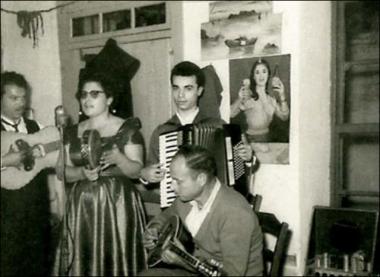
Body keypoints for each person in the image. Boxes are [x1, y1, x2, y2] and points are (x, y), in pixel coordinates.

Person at [53, 72, 147, 276]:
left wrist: (119, 159)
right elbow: (62, 172)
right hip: (82, 209)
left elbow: (138, 171)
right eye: (83, 94)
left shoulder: (127, 129)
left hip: (118, 206)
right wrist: (81, 173)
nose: (87, 99)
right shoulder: (70, 131)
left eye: (94, 94)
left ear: (110, 98)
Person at [139, 145, 264, 276]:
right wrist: (154, 229)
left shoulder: (235, 214)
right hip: (196, 269)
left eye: (178, 181)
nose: (171, 186)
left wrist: (183, 261)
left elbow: (231, 273)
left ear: (201, 179)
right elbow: (166, 215)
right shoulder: (186, 199)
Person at [140, 61, 253, 189]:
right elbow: (151, 175)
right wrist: (145, 176)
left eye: (188, 88)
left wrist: (248, 159)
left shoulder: (219, 126)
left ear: (199, 91)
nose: (180, 95)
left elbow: (238, 172)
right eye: (176, 87)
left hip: (213, 204)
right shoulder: (162, 132)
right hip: (178, 205)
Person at [1, 71, 52, 276]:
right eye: (13, 98)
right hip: (4, 223)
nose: (20, 103)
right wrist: (6, 161)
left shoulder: (35, 128)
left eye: (23, 97)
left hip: (36, 219)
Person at [230, 58, 290, 143]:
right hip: (251, 141)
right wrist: (240, 98)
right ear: (253, 77)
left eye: (264, 71)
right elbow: (230, 113)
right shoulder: (249, 97)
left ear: (268, 74)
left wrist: (282, 94)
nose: (261, 76)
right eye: (257, 72)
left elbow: (285, 117)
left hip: (267, 140)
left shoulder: (271, 100)